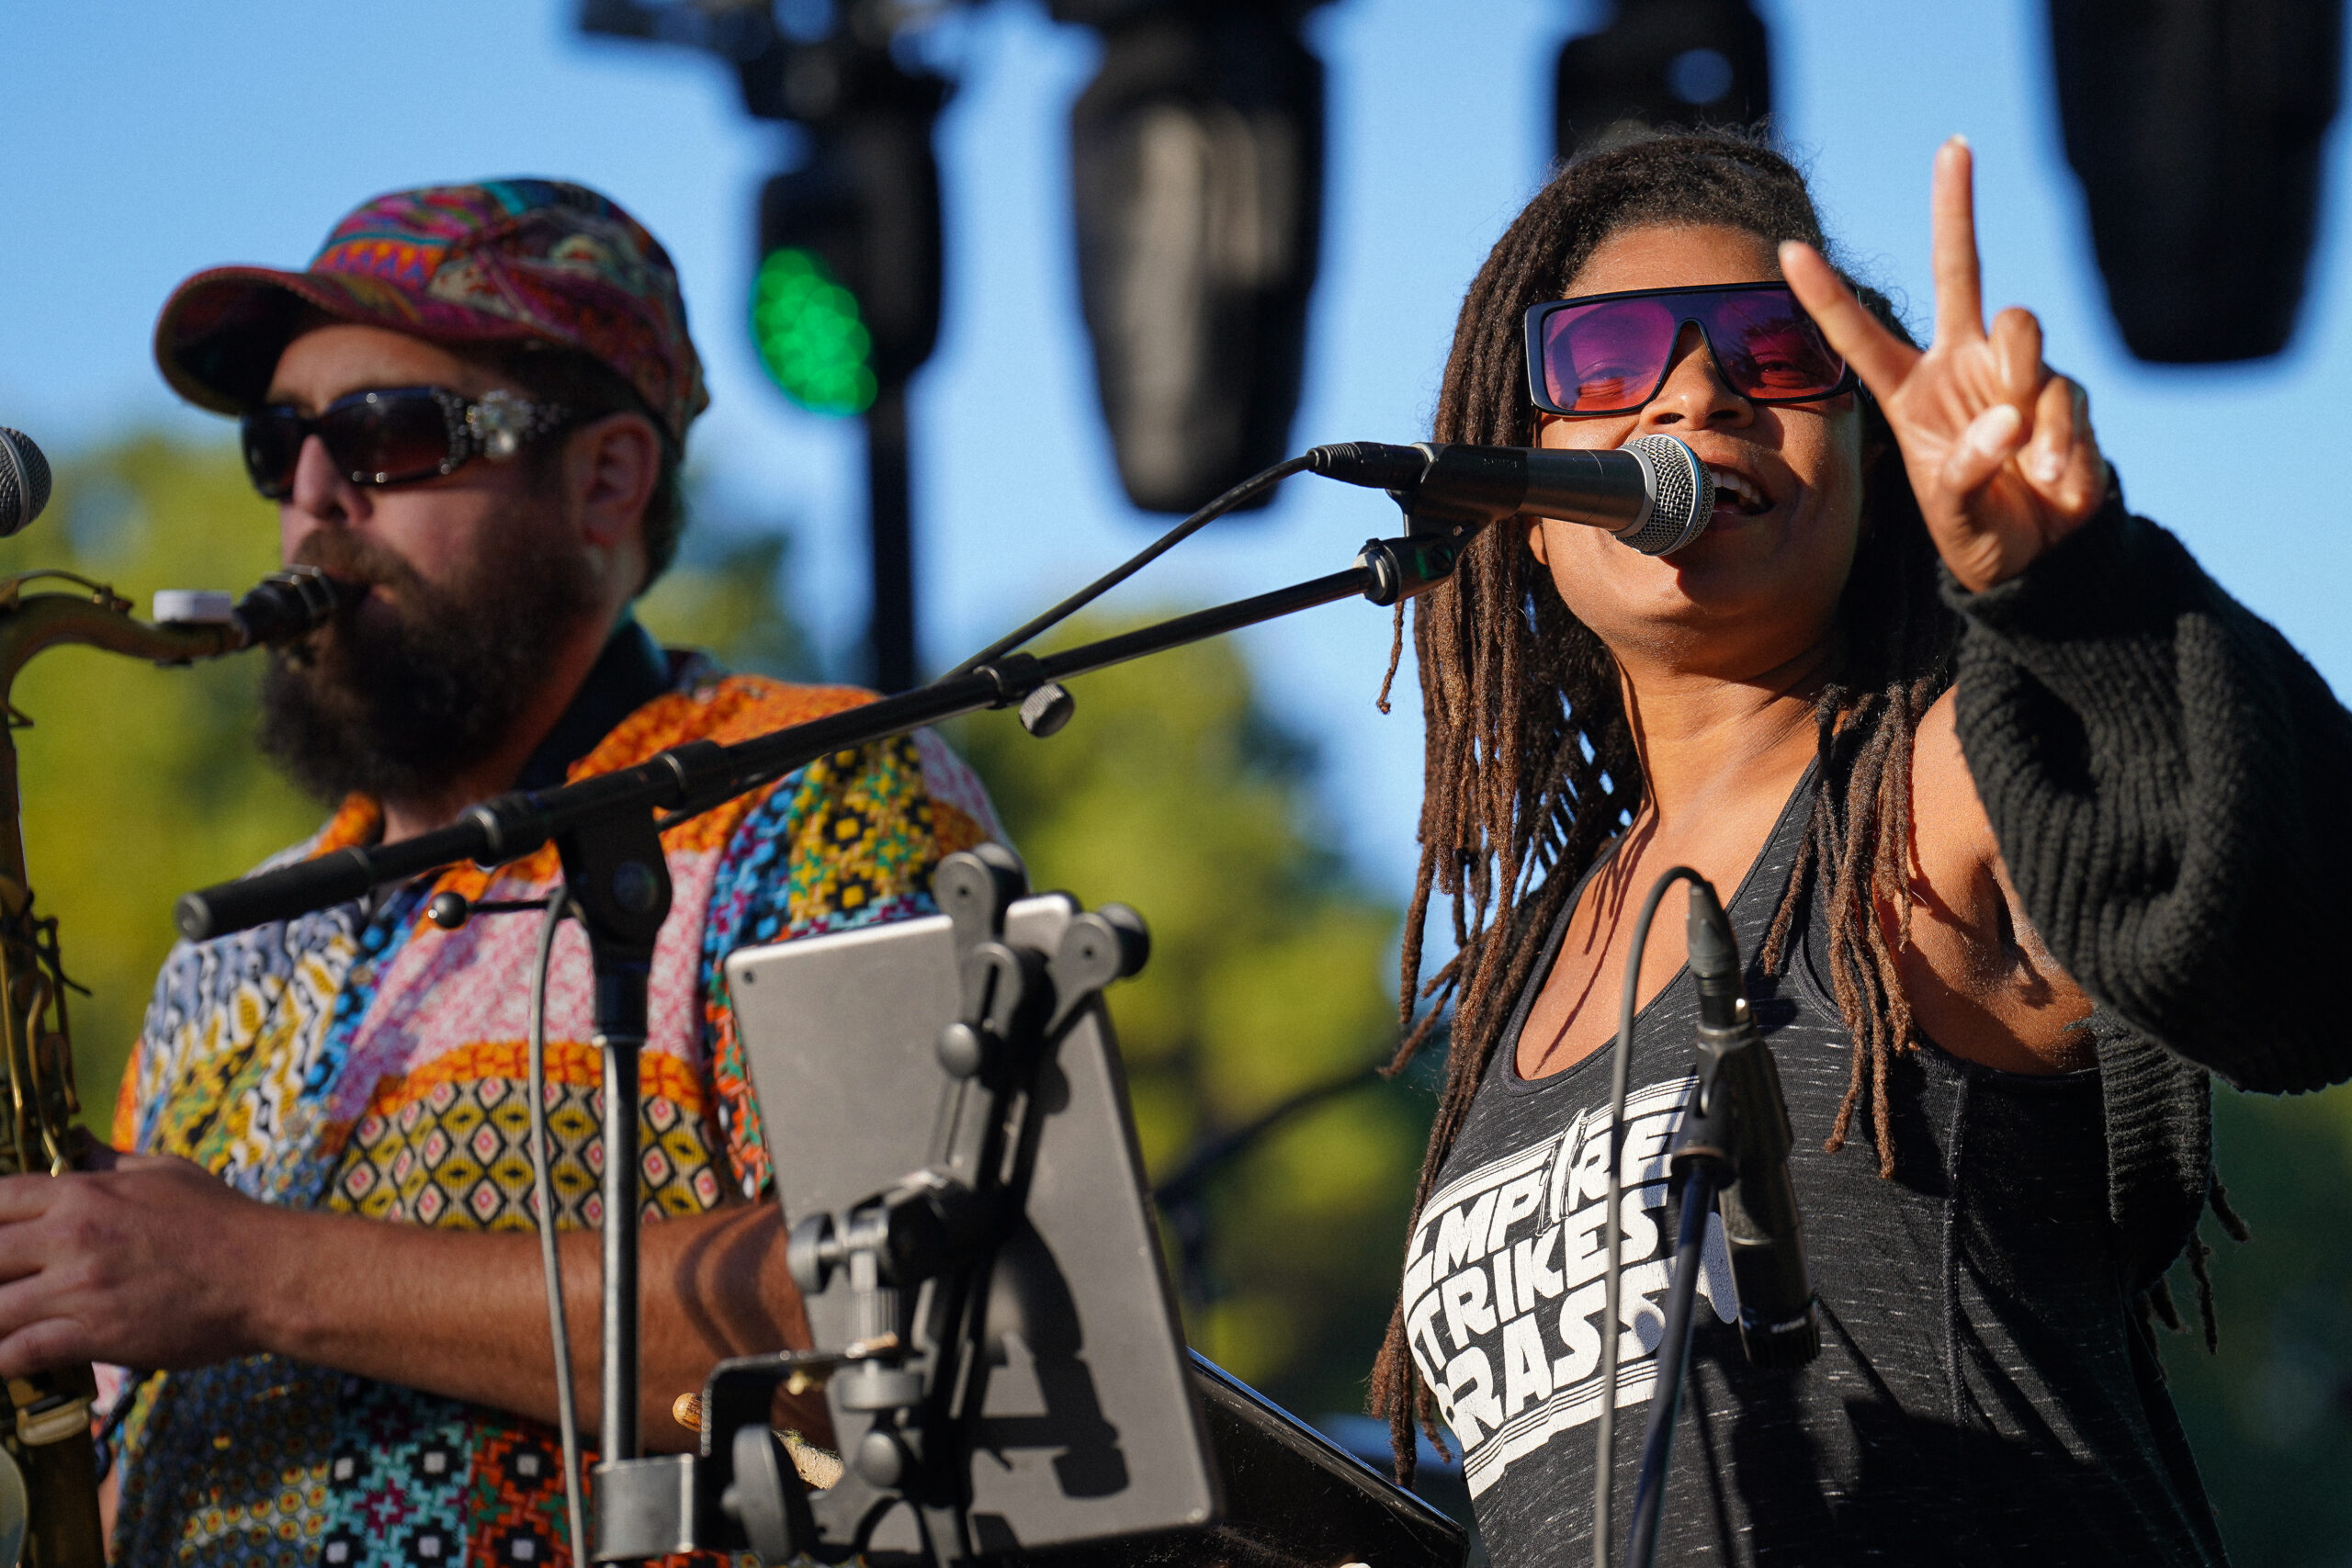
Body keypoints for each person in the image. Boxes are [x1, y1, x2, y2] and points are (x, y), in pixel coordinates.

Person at [1373, 132, 2352, 1566]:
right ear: (1521, 508)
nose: (1697, 390)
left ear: (1867, 462)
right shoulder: (1527, 972)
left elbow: (2300, 938)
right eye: (1609, 359)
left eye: (1776, 356)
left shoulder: (1934, 780)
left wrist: (2077, 588)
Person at [0, 179, 1000, 1565]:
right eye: (277, 443)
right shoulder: (218, 958)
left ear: (606, 480)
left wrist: (250, 1272)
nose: (308, 494)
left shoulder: (817, 789)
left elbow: (914, 1309)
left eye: (386, 434)